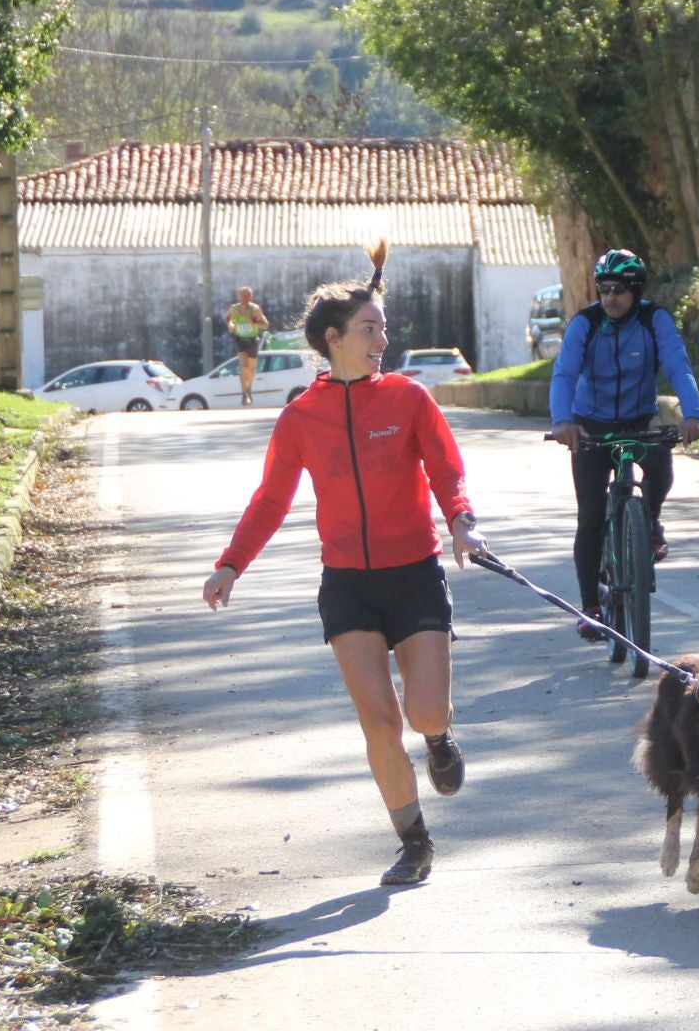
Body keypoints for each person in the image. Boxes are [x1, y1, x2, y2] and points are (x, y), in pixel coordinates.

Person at [202, 241, 490, 885]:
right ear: (334, 340)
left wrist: (462, 524)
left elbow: (446, 470)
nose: (381, 339)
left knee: (424, 714)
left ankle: (441, 741)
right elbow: (271, 498)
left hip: (414, 574)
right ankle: (414, 843)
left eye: (384, 327)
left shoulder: (410, 400)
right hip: (348, 588)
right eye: (369, 329)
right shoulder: (302, 416)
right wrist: (231, 564)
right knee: (380, 723)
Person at [548, 248, 699, 642]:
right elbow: (565, 373)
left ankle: (649, 522)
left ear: (635, 291)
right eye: (604, 290)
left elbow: (677, 365)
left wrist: (693, 413)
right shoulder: (585, 323)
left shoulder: (655, 320)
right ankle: (590, 608)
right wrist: (564, 422)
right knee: (590, 514)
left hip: (637, 419)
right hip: (590, 425)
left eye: (619, 290)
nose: (610, 298)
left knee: (661, 464)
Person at [225, 287, 271, 404]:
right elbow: (228, 318)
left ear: (251, 297)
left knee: (251, 368)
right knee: (243, 364)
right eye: (242, 295)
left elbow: (265, 325)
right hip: (240, 338)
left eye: (247, 295)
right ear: (238, 296)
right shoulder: (234, 308)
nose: (245, 298)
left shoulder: (255, 309)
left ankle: (249, 388)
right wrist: (230, 324)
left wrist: (255, 322)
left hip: (252, 339)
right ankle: (244, 393)